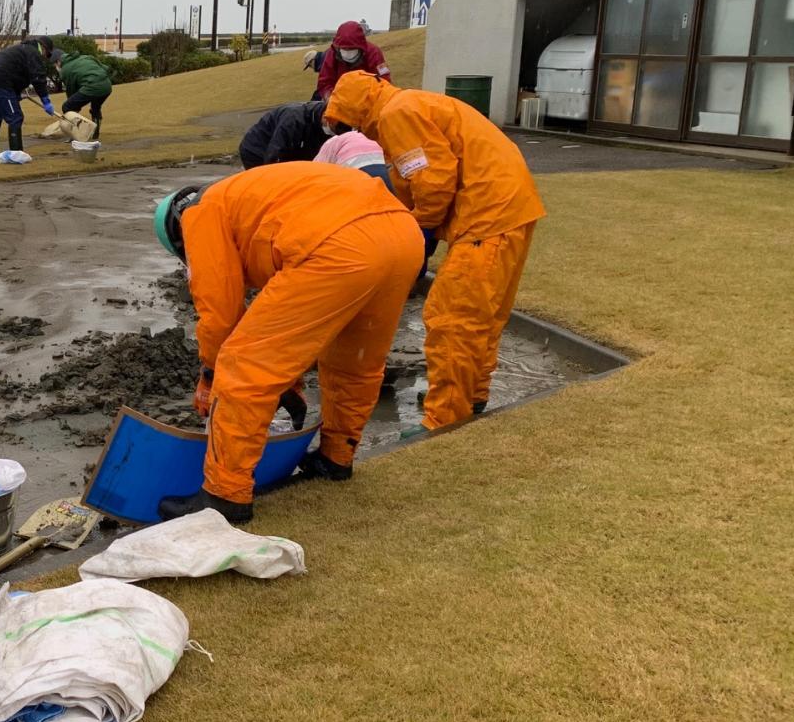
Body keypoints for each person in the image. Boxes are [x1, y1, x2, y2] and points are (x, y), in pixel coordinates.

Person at [151, 162, 424, 522]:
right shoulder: (249, 195)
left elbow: (220, 316)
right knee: (355, 361)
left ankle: (224, 495)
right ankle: (336, 457)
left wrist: (210, 374)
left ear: (177, 235)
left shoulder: (200, 214)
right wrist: (286, 379)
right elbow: (288, 324)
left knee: (242, 365)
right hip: (403, 236)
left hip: (336, 244)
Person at [325, 71, 545, 430]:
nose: (353, 132)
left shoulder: (396, 114)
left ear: (356, 110)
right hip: (508, 209)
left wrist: (416, 227)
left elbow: (434, 181)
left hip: (486, 217)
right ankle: (472, 397)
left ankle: (444, 419)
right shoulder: (410, 105)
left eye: (346, 123)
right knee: (482, 318)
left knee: (451, 320)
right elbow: (421, 176)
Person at [0, 36, 55, 158]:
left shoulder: (20, 49)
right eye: (48, 54)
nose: (46, 58)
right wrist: (45, 100)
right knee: (15, 118)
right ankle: (17, 155)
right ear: (44, 48)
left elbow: (15, 73)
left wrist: (16, 95)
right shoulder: (33, 52)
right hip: (1, 80)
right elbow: (38, 77)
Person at [237, 98, 331, 169]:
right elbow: (274, 155)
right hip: (255, 149)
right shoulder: (293, 120)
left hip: (289, 148)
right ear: (324, 115)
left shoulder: (327, 121)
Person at [314, 20, 392, 101]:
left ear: (360, 47)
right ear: (338, 47)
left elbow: (384, 81)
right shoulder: (332, 53)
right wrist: (329, 96)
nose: (348, 52)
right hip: (339, 101)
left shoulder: (374, 53)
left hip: (368, 101)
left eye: (352, 49)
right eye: (344, 49)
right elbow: (324, 82)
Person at [57, 46, 113, 139]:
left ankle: (77, 133)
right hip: (106, 86)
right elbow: (104, 67)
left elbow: (71, 90)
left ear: (58, 62)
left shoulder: (65, 69)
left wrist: (74, 108)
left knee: (67, 106)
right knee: (95, 108)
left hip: (91, 87)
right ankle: (95, 133)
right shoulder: (85, 57)